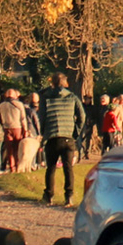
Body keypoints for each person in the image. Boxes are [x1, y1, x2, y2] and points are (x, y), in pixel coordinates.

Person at [37, 72, 85, 204]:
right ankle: (69, 196)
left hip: (52, 136)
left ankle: (49, 195)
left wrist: (43, 132)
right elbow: (82, 116)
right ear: (65, 83)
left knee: (51, 168)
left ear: (52, 82)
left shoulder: (46, 98)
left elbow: (42, 117)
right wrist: (75, 132)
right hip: (68, 137)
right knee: (68, 168)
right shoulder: (72, 97)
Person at [0, 88, 32, 174]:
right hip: (17, 128)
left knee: (9, 149)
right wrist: (25, 129)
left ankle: (12, 167)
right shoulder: (19, 104)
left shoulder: (1, 105)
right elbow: (23, 118)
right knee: (18, 148)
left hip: (6, 128)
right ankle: (18, 166)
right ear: (14, 95)